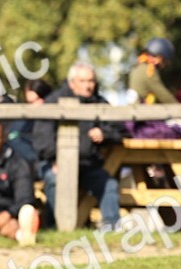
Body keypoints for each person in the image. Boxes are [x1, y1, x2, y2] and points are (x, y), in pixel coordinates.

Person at [32, 62, 124, 230]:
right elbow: (42, 138)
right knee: (54, 180)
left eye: (91, 81)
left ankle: (112, 230)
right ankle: (55, 228)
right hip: (57, 164)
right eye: (83, 81)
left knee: (109, 184)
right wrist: (55, 160)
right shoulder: (53, 102)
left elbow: (120, 130)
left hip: (88, 166)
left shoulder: (100, 103)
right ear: (72, 82)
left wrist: (105, 134)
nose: (88, 86)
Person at [128, 37, 177, 104]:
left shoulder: (138, 66)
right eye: (164, 62)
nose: (163, 66)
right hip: (141, 112)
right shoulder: (149, 71)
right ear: (160, 57)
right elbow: (164, 96)